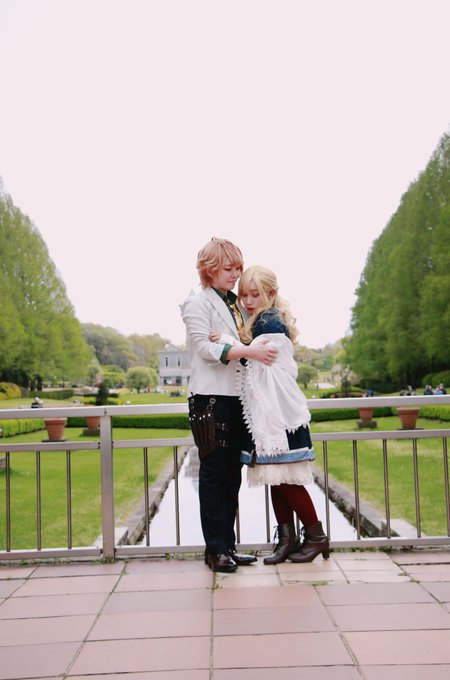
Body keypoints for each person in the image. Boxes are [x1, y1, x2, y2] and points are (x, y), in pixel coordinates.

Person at [210, 265, 329, 564]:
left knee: (286, 480)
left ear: (271, 293)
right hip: (271, 413)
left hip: (278, 417)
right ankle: (287, 541)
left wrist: (227, 342)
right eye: (244, 295)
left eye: (255, 294)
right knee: (277, 479)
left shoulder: (268, 322)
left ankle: (316, 537)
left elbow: (258, 366)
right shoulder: (262, 320)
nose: (248, 301)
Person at [181, 239, 278, 573]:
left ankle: (228, 547)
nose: (236, 274)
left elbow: (237, 343)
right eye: (228, 268)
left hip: (236, 399)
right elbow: (206, 350)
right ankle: (215, 550)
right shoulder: (197, 303)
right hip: (210, 400)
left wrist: (234, 343)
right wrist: (246, 350)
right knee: (214, 476)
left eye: (238, 267)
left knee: (231, 476)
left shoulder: (236, 304)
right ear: (209, 269)